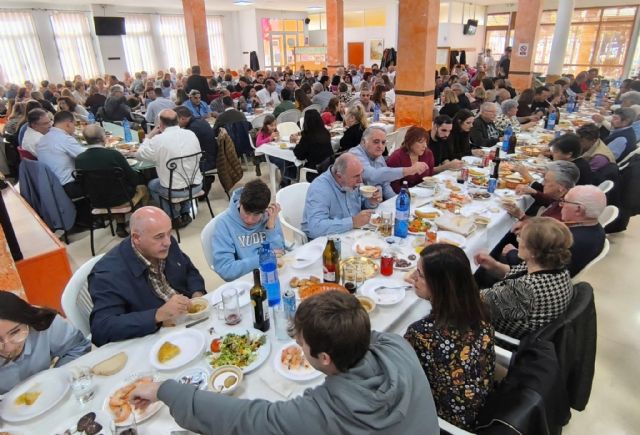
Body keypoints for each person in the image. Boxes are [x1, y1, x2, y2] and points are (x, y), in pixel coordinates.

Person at [129, 290, 439, 435]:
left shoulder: (320, 413)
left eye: (301, 344)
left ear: (325, 358)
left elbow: (245, 418)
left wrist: (164, 390)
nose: (298, 348)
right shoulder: (397, 345)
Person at [405, 244, 495, 430]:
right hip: (483, 405)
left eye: (420, 274)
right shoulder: (478, 309)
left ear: (440, 285)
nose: (413, 277)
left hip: (446, 422)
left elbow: (401, 384)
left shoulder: (422, 334)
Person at [88, 207, 206, 346]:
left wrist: (196, 293)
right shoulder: (107, 275)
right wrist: (157, 315)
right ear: (136, 238)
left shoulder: (165, 243)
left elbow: (189, 271)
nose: (167, 242)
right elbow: (101, 329)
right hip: (154, 338)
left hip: (186, 322)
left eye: (169, 233)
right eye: (159, 236)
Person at [475, 217, 574, 339]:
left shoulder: (523, 291)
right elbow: (517, 273)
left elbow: (472, 303)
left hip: (492, 333)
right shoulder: (555, 267)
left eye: (521, 238)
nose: (518, 240)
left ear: (533, 251)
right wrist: (494, 265)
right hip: (509, 311)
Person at [503, 185, 606, 277]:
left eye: (565, 201)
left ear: (578, 209)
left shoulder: (569, 241)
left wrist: (512, 253)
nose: (561, 205)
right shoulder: (596, 228)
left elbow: (536, 267)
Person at [0, 291, 91, 394]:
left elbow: (77, 347)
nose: (9, 348)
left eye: (15, 332)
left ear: (27, 322)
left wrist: (57, 376)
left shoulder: (42, 321)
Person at [75, 124, 148, 237]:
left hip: (96, 201)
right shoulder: (114, 155)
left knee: (111, 187)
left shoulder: (79, 159)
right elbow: (133, 179)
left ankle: (120, 224)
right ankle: (142, 223)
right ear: (104, 138)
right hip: (121, 199)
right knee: (142, 187)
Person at [136, 109, 203, 228]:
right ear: (177, 120)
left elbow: (140, 155)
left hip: (175, 190)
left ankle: (174, 216)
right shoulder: (191, 134)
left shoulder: (158, 140)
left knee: (153, 184)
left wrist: (150, 135)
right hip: (197, 185)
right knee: (181, 175)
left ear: (160, 124)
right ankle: (185, 212)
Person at [212, 180, 285, 281]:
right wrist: (262, 259)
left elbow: (280, 254)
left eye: (256, 215)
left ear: (264, 210)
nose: (250, 220)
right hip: (245, 280)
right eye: (246, 212)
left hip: (271, 274)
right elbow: (226, 270)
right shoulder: (223, 224)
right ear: (240, 203)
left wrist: (270, 228)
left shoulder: (269, 216)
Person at [302, 153, 382, 239]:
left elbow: (360, 203)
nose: (360, 180)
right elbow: (315, 228)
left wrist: (370, 201)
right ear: (339, 176)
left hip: (353, 234)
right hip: (327, 242)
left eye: (361, 174)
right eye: (356, 176)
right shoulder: (320, 188)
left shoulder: (351, 181)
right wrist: (353, 222)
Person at [350, 126, 427, 200]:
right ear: (363, 142)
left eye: (383, 143)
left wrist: (396, 201)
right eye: (376, 142)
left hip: (374, 203)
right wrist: (410, 170)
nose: (380, 146)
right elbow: (372, 175)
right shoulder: (355, 154)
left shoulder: (378, 155)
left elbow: (385, 184)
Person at [35, 111, 86, 199]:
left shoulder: (43, 139)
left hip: (51, 185)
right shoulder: (64, 139)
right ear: (68, 124)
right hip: (68, 186)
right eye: (74, 124)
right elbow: (87, 156)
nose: (74, 127)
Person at [174, 106, 218, 195]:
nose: (175, 124)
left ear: (183, 118)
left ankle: (183, 192)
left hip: (205, 162)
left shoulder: (192, 129)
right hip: (210, 156)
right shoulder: (199, 121)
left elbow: (182, 148)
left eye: (175, 120)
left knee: (174, 166)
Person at [387, 126, 434, 192]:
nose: (425, 146)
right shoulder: (396, 157)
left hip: (423, 193)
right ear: (410, 142)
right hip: (402, 196)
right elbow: (393, 186)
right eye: (421, 142)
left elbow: (430, 178)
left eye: (426, 142)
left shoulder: (428, 154)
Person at [293, 110, 334, 182]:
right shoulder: (325, 133)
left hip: (314, 172)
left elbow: (299, 155)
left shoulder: (308, 137)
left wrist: (297, 144)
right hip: (328, 169)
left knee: (299, 167)